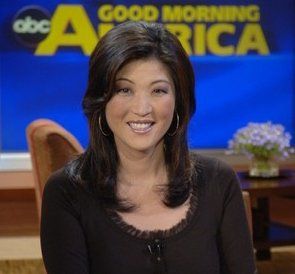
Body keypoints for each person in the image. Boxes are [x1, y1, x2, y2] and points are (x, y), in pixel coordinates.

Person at [41, 21, 256, 274]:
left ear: (178, 100)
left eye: (158, 90)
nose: (142, 108)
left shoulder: (218, 181)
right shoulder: (66, 193)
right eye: (124, 90)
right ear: (101, 99)